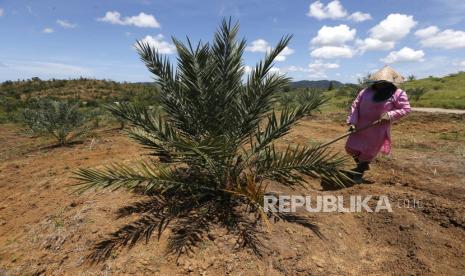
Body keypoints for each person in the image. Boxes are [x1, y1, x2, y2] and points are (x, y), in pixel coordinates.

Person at [345, 66, 411, 183]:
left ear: (390, 83)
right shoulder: (365, 92)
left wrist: (390, 115)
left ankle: (359, 173)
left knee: (368, 152)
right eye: (378, 82)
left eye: (383, 83)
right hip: (360, 126)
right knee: (351, 148)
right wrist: (353, 122)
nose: (380, 85)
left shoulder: (398, 93)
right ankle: (363, 166)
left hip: (377, 129)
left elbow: (405, 109)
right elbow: (355, 106)